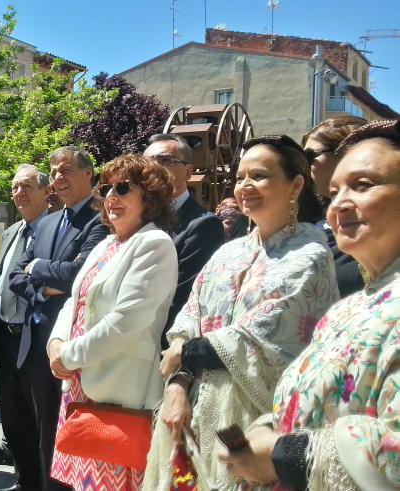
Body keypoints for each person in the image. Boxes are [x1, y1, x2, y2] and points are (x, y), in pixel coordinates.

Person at [145, 135, 339, 490]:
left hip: (257, 423)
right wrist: (177, 385)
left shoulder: (311, 255)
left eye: (260, 176)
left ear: (295, 185)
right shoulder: (227, 252)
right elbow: (190, 317)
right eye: (240, 177)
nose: (245, 186)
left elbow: (266, 335)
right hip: (194, 411)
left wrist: (185, 353)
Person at [221, 120, 400, 490]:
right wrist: (268, 430)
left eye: (363, 185)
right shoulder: (346, 308)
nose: (340, 204)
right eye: (335, 191)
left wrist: (288, 455)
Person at [47, 155, 179, 490]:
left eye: (123, 188)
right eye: (106, 188)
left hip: (119, 392)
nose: (111, 196)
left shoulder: (155, 244)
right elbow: (74, 303)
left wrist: (69, 356)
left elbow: (125, 323)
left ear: (149, 198)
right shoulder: (107, 244)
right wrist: (55, 344)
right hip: (79, 387)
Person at [8, 146, 110, 491]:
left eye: (65, 171)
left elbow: (79, 275)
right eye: (53, 173)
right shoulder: (48, 221)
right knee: (40, 432)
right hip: (35, 343)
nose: (58, 179)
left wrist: (43, 271)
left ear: (88, 174)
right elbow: (17, 275)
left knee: (67, 432)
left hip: (73, 347)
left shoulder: (102, 219)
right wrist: (44, 288)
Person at [0, 165, 51, 490]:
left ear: (46, 191)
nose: (20, 193)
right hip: (7, 337)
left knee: (39, 420)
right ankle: (25, 480)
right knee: (14, 421)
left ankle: (41, 483)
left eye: (27, 186)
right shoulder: (13, 231)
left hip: (36, 339)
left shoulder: (54, 229)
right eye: (15, 187)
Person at [143, 134, 225, 347]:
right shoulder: (132, 219)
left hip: (157, 348)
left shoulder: (204, 226)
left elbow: (180, 301)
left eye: (165, 161)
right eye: (147, 162)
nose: (153, 168)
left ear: (188, 171)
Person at [302, 116, 368, 297]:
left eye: (309, 156)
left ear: (346, 152)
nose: (303, 166)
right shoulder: (314, 226)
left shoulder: (382, 226)